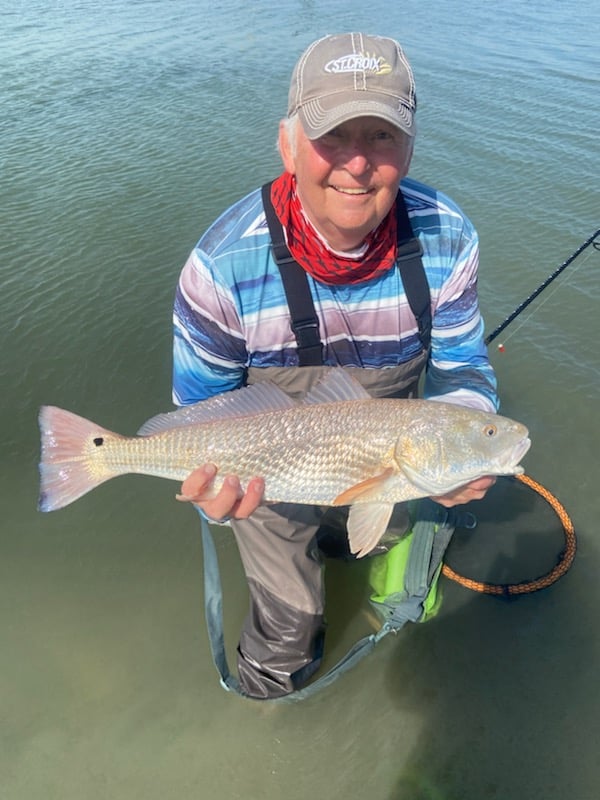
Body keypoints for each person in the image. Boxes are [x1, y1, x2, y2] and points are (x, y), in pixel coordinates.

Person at [172, 33, 498, 699]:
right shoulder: (220, 270)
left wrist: (465, 437)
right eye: (333, 135)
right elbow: (198, 417)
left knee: (395, 570)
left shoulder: (448, 238)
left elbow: (464, 370)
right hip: (264, 468)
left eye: (381, 135)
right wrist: (212, 494)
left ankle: (372, 560)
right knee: (290, 630)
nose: (357, 163)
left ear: (409, 147)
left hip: (387, 457)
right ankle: (267, 719)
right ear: (287, 143)